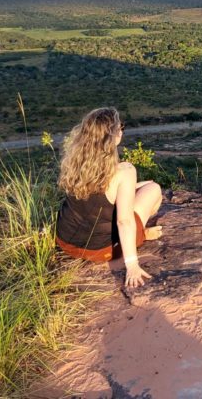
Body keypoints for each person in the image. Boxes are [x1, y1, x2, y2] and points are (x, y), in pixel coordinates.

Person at [55, 107, 163, 287]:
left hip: (65, 242)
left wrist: (133, 187)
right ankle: (141, 234)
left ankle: (141, 233)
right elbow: (124, 222)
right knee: (153, 189)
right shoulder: (124, 171)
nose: (122, 130)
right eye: (120, 126)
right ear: (113, 135)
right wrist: (132, 265)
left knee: (139, 189)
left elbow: (96, 193)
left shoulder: (74, 161)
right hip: (100, 250)